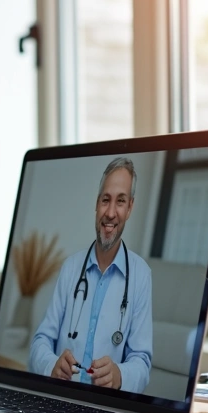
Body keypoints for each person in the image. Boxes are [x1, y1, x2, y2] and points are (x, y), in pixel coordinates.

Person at [28, 157, 153, 394]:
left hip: (106, 404)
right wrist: (51, 365)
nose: (111, 213)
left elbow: (141, 360)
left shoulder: (141, 275)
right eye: (106, 200)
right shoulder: (70, 268)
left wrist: (120, 376)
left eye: (121, 201)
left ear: (130, 209)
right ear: (97, 204)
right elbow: (40, 341)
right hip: (62, 398)